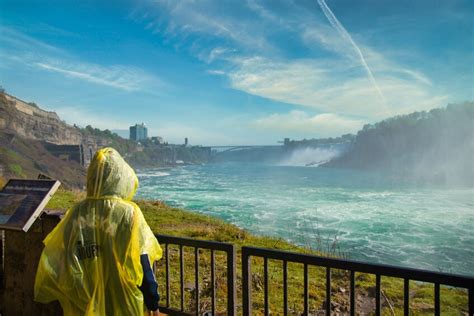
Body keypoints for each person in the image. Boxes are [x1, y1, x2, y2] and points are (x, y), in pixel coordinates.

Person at [34, 147, 162, 315]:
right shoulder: (129, 214)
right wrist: (153, 303)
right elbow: (143, 265)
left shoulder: (76, 213)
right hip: (124, 304)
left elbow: (63, 261)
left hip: (84, 305)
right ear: (120, 178)